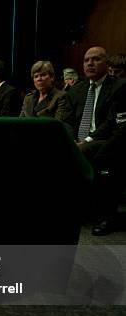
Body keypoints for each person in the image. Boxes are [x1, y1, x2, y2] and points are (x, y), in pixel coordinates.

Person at [67, 45, 126, 235]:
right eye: (86, 60)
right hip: (80, 139)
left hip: (108, 139)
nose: (90, 63)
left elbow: (113, 123)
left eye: (96, 59)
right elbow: (67, 120)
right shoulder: (77, 89)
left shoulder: (119, 86)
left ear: (106, 63)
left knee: (96, 156)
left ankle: (106, 216)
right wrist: (68, 139)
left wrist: (86, 140)